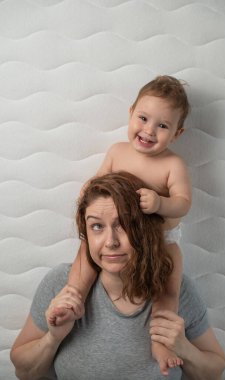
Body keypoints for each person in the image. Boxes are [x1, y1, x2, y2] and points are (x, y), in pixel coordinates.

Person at [10, 172, 225, 380]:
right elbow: (23, 372)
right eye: (97, 226)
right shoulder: (59, 283)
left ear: (144, 229)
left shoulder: (178, 288)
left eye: (122, 225)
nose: (110, 241)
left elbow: (214, 373)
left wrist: (183, 348)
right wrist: (53, 338)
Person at [52, 75, 192, 373]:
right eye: (143, 118)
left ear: (177, 134)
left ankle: (160, 342)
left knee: (168, 288)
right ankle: (72, 298)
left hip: (161, 239)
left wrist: (160, 203)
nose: (149, 130)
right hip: (120, 235)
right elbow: (99, 179)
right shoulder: (118, 151)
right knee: (85, 256)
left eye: (162, 126)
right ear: (131, 113)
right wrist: (87, 189)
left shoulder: (172, 165)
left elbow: (183, 203)